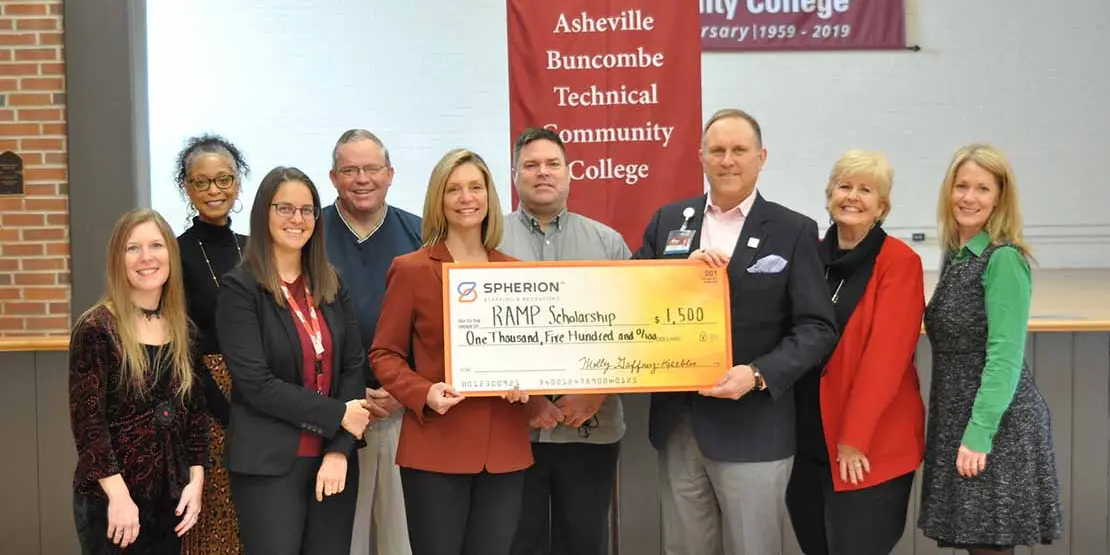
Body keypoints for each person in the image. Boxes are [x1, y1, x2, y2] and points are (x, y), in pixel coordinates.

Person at [633, 108, 839, 555]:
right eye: (718, 150)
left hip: (755, 427)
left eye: (739, 150)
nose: (728, 160)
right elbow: (630, 301)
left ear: (761, 157)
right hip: (680, 424)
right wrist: (672, 275)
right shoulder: (669, 221)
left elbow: (817, 327)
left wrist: (758, 374)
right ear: (701, 156)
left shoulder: (794, 230)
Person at [369, 148, 532, 555]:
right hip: (435, 450)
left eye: (475, 187)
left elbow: (530, 355)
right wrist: (423, 392)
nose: (466, 198)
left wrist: (531, 384)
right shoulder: (412, 269)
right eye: (454, 189)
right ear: (438, 200)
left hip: (505, 451)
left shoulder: (515, 272)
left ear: (489, 197)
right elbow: (384, 354)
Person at [215, 166, 373, 555]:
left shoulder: (331, 283)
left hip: (332, 463)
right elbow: (256, 385)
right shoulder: (240, 289)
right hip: (269, 465)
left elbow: (353, 365)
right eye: (285, 208)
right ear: (263, 214)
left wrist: (339, 448)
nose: (296, 219)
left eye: (307, 210)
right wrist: (339, 415)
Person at [917, 144, 1063, 554]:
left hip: (996, 425)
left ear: (1000, 197)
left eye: (982, 188)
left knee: (990, 547)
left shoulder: (1004, 260)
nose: (969, 197)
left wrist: (979, 434)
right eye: (961, 186)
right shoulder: (958, 254)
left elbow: (1005, 355)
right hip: (957, 416)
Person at [784, 150, 926, 555]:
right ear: (829, 194)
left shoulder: (900, 262)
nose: (852, 196)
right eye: (844, 186)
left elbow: (887, 359)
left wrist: (854, 439)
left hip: (868, 445)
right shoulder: (807, 253)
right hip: (806, 440)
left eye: (866, 190)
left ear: (882, 206)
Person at [499, 128, 630, 555]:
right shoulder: (487, 243)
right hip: (511, 430)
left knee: (585, 541)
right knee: (519, 543)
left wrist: (596, 391)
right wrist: (530, 399)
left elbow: (633, 333)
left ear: (570, 173)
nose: (543, 173)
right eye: (531, 165)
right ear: (515, 174)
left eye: (553, 164)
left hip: (590, 429)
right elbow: (476, 340)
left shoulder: (608, 244)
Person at [69, 208, 208, 554]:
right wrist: (118, 497)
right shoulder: (97, 329)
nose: (146, 257)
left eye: (156, 246)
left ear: (171, 256)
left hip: (170, 497)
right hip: (113, 501)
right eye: (133, 248)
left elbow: (195, 415)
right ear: (118, 259)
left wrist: (197, 480)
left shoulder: (185, 332)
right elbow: (89, 426)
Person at [322, 129, 421, 555]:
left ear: (391, 174)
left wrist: (406, 390)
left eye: (372, 168)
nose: (362, 179)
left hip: (408, 413)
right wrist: (349, 395)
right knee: (346, 539)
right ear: (333, 177)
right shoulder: (310, 235)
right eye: (350, 170)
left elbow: (437, 326)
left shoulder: (421, 234)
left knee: (402, 540)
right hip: (335, 414)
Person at [174, 133, 250, 555]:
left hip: (258, 395)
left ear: (238, 184)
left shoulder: (254, 248)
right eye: (202, 182)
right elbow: (185, 348)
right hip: (207, 404)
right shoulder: (177, 252)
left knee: (253, 522)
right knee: (212, 528)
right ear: (188, 188)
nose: (214, 190)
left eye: (224, 179)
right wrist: (225, 410)